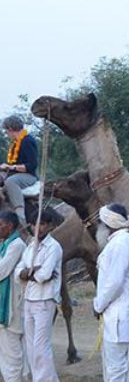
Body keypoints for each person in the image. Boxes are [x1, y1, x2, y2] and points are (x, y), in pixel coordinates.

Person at [93, 204, 129, 382]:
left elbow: (114, 282)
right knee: (122, 370)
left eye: (101, 222)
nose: (99, 226)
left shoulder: (120, 243)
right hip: (119, 316)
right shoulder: (121, 241)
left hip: (119, 318)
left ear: (108, 223)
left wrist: (98, 305)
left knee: (116, 370)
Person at [16, 207, 63, 382]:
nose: (39, 228)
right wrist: (30, 272)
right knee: (31, 347)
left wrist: (28, 274)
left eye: (42, 224)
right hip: (28, 298)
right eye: (36, 225)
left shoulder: (54, 247)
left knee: (41, 346)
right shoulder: (30, 246)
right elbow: (17, 272)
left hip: (44, 300)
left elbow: (44, 275)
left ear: (50, 226)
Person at [0, 211, 26, 382]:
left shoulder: (16, 245)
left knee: (12, 355)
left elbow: (1, 271)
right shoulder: (6, 245)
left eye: (0, 224)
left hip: (11, 307)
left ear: (9, 225)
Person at [1, 116, 39, 226]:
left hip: (28, 176)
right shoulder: (14, 143)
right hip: (15, 173)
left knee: (10, 182)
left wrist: (10, 167)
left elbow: (31, 165)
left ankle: (20, 215)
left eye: (7, 131)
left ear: (11, 129)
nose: (7, 134)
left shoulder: (27, 141)